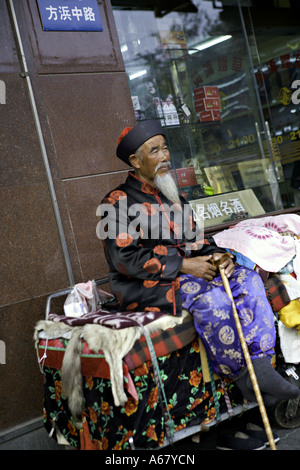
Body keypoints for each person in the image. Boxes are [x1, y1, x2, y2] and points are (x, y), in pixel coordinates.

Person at [99, 119, 300, 406]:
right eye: (155, 151)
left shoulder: (174, 197)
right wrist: (182, 265)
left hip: (190, 274)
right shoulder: (116, 202)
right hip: (143, 286)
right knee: (213, 298)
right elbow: (124, 259)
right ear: (135, 160)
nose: (166, 156)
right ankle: (242, 376)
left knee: (248, 279)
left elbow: (198, 243)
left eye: (166, 148)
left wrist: (221, 256)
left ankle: (262, 364)